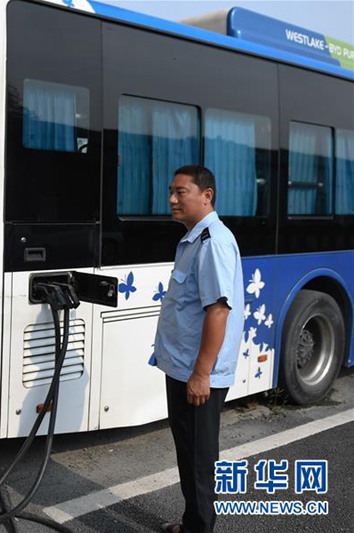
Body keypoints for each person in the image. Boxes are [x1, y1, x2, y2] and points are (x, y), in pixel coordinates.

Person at [153, 165, 244, 533]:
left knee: (199, 459)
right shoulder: (194, 238)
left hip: (197, 372)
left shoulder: (213, 242)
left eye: (181, 192)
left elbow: (218, 310)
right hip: (183, 368)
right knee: (188, 453)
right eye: (171, 191)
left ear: (206, 196)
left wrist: (202, 373)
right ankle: (193, 522)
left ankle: (200, 528)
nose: (173, 200)